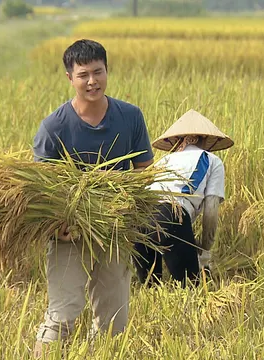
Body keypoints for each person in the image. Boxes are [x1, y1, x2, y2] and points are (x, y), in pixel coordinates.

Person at [31, 39, 154, 357]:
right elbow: (43, 188)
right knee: (62, 316)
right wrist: (58, 223)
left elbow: (143, 171)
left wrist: (125, 209)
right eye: (83, 74)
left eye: (98, 72)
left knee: (115, 323)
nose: (92, 81)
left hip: (115, 231)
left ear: (107, 71)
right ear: (69, 78)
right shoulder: (54, 127)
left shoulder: (130, 117)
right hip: (68, 232)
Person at [134, 109, 233, 288]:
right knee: (191, 288)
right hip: (170, 214)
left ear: (180, 140)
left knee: (151, 289)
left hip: (139, 220)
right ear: (201, 139)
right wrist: (205, 249)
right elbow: (210, 210)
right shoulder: (210, 159)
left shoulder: (165, 160)